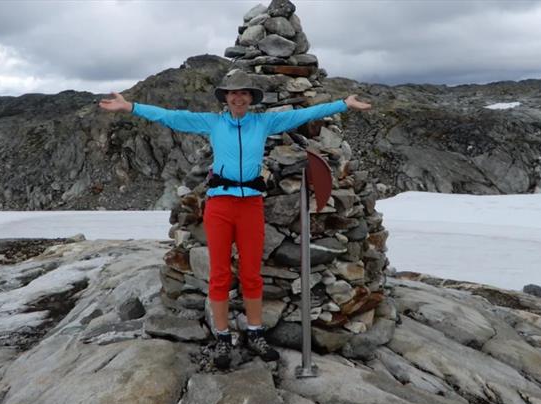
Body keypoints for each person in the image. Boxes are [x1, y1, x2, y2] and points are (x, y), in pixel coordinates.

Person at [100, 69, 371, 369]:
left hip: (251, 205)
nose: (238, 97)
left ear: (250, 99)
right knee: (219, 273)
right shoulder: (213, 123)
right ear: (226, 99)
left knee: (251, 272)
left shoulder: (263, 122)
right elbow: (171, 117)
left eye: (244, 93)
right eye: (233, 93)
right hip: (219, 205)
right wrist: (130, 107)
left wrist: (343, 104)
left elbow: (305, 113)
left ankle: (255, 331)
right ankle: (221, 336)